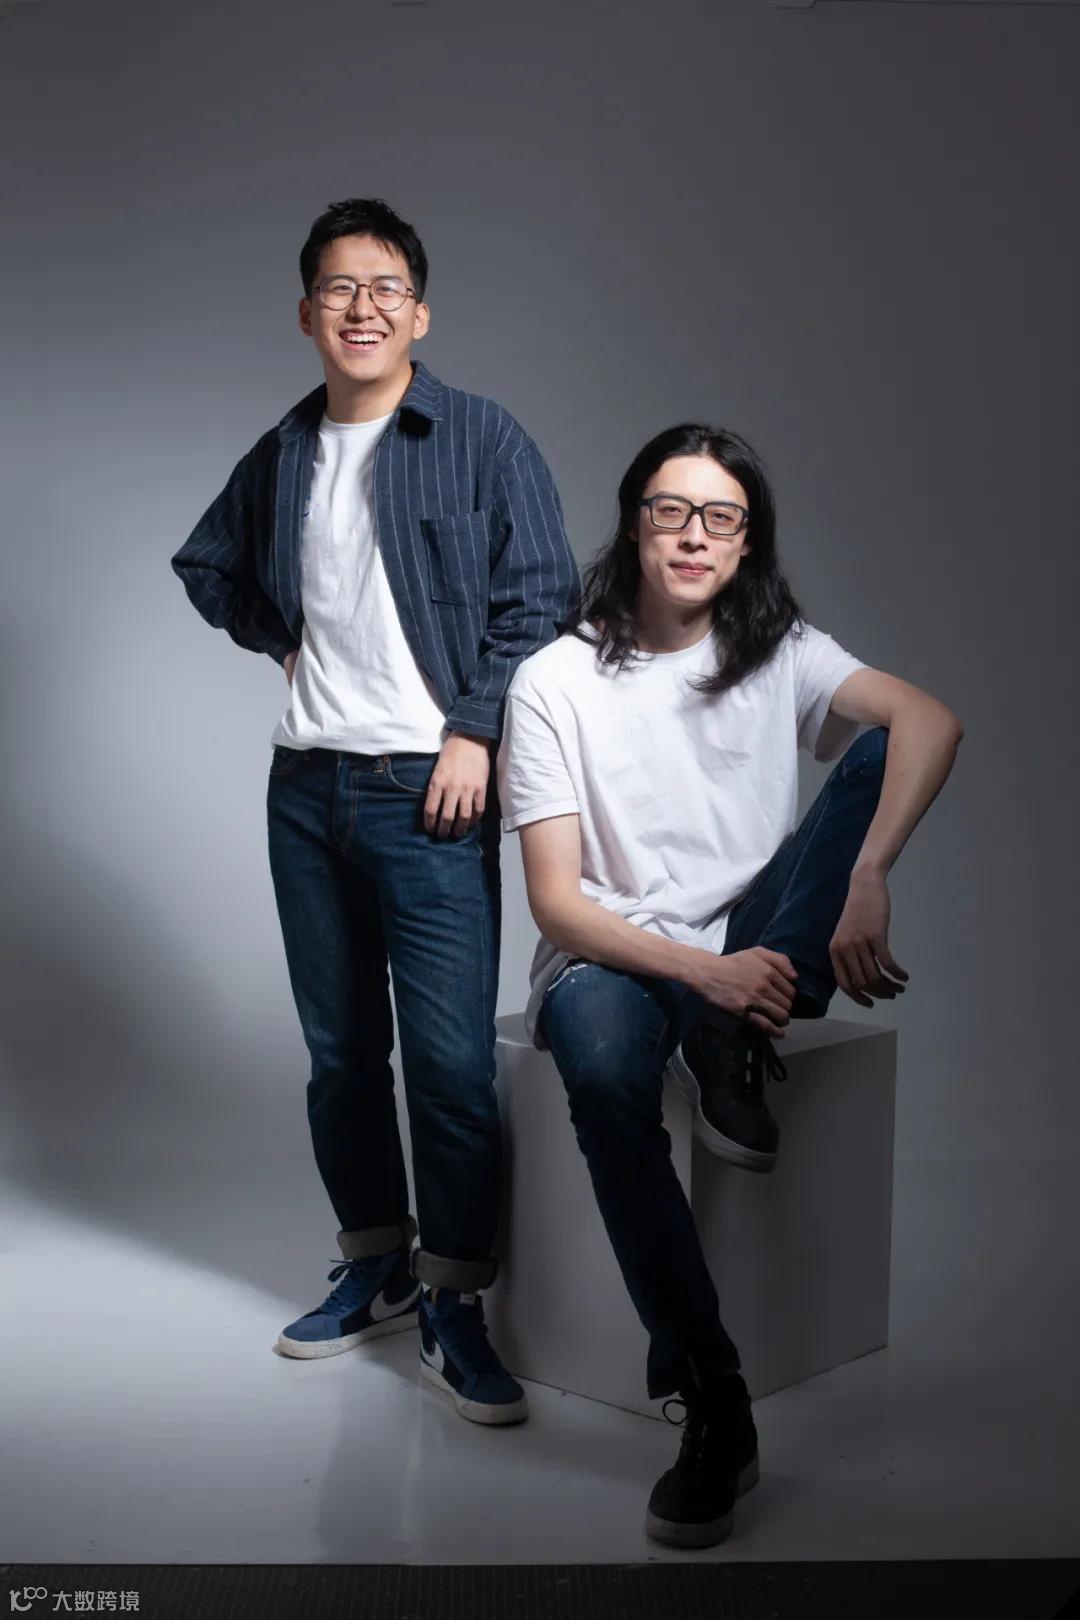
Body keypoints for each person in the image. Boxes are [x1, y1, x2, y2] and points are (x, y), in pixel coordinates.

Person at [497, 422, 962, 1538]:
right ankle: (713, 1396)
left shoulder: (780, 651)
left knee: (876, 754)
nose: (694, 535)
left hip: (758, 937)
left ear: (748, 540)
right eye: (671, 510)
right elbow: (559, 904)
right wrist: (703, 973)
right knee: (605, 1077)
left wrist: (868, 876)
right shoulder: (554, 678)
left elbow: (930, 721)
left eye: (722, 516)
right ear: (635, 523)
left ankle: (726, 1040)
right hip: (614, 953)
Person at [172, 198, 579, 1425]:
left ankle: (454, 1300)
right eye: (340, 289)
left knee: (447, 1065)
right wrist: (282, 642)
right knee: (343, 1056)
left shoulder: (481, 437)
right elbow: (208, 564)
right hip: (306, 789)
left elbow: (544, 598)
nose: (363, 307)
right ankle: (378, 1265)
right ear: (307, 313)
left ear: (421, 313)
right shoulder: (285, 449)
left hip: (428, 792)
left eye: (385, 286)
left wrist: (474, 729)